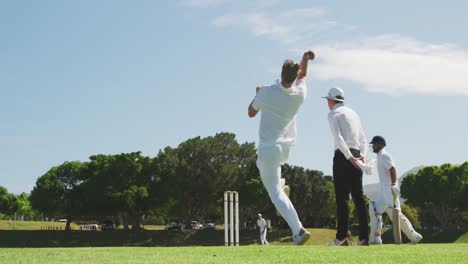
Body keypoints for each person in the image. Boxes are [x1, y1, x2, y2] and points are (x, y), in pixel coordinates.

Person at [248, 50, 314, 245]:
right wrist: (305, 60)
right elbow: (303, 75)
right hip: (284, 149)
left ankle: (298, 230)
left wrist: (257, 95)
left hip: (268, 149)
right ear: (294, 76)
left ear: (281, 72)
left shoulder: (267, 91)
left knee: (275, 194)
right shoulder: (299, 94)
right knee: (274, 184)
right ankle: (282, 184)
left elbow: (251, 112)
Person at [323, 87, 369, 246]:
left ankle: (342, 237)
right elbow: (363, 139)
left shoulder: (332, 114)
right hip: (357, 153)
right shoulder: (354, 114)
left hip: (344, 156)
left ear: (331, 101)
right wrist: (361, 156)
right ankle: (364, 238)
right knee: (358, 197)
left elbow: (338, 138)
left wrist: (349, 158)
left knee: (342, 198)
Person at [368, 135, 423, 244]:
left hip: (389, 191)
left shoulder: (384, 155)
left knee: (397, 216)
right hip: (382, 191)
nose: (372, 146)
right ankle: (376, 238)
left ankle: (414, 236)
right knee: (374, 210)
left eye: (374, 144)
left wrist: (393, 184)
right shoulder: (379, 156)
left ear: (379, 144)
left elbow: (392, 169)